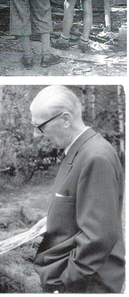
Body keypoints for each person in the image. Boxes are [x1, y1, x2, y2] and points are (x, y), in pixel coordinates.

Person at [30, 86, 125, 293]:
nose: (36, 135)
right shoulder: (78, 150)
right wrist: (52, 220)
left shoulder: (94, 156)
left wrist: (65, 283)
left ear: (65, 119)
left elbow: (99, 236)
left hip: (86, 284)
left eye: (40, 127)